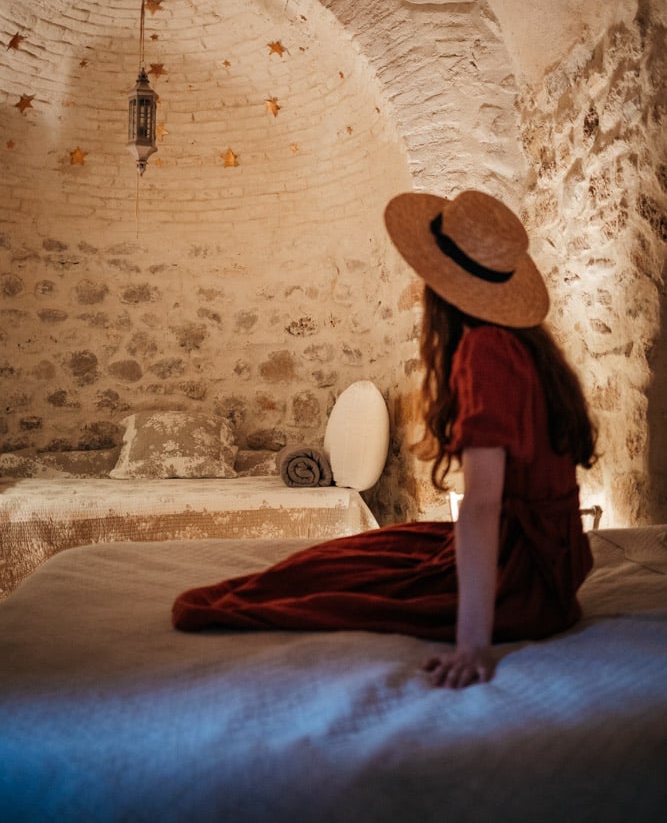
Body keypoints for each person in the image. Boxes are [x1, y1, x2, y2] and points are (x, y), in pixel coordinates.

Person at [172, 189, 597, 689]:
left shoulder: (485, 352)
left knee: (310, 586)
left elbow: (482, 505)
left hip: (522, 580)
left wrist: (473, 644)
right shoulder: (529, 348)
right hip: (552, 569)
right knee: (354, 555)